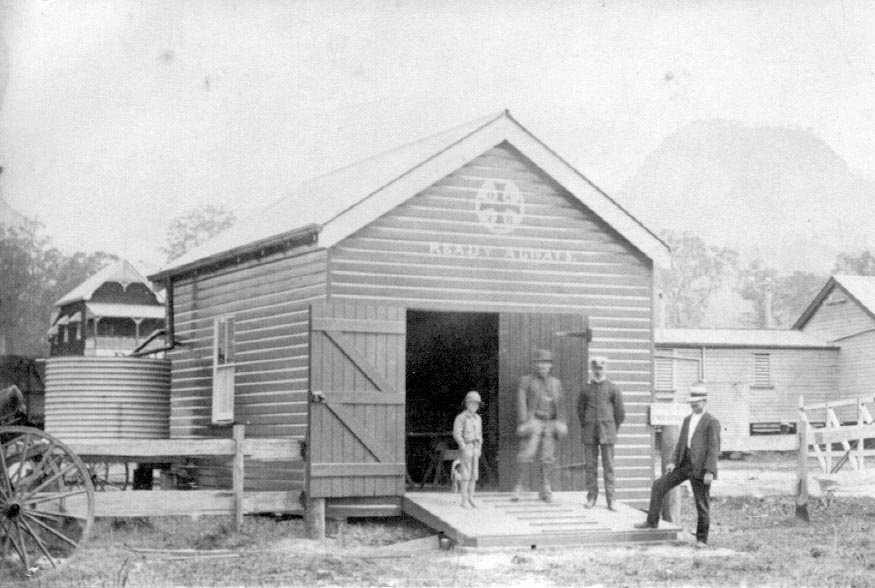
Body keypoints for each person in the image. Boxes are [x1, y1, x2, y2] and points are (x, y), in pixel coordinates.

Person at [634, 381, 720, 548]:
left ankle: (702, 539)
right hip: (684, 464)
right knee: (659, 485)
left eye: (697, 402)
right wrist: (673, 461)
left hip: (701, 469)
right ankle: (652, 521)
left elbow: (714, 448)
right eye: (692, 403)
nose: (694, 405)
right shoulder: (688, 419)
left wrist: (710, 471)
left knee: (702, 503)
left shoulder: (712, 421)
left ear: (704, 402)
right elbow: (681, 443)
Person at [512, 349, 568, 503]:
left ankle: (545, 488)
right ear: (535, 365)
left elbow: (561, 406)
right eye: (540, 363)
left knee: (548, 457)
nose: (543, 366)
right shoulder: (526, 381)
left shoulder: (556, 383)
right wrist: (524, 422)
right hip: (534, 421)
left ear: (550, 366)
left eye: (546, 363)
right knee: (526, 454)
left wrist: (561, 423)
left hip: (550, 422)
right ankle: (520, 485)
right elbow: (521, 403)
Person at [577, 355, 625, 510]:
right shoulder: (585, 389)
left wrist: (612, 429)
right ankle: (591, 497)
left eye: (601, 368)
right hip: (590, 432)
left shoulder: (613, 388)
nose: (598, 371)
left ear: (605, 369)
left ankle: (611, 499)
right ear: (592, 369)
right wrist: (587, 425)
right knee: (590, 466)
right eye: (595, 368)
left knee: (608, 467)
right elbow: (580, 411)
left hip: (607, 432)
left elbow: (620, 413)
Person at [453, 390, 483, 508]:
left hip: (475, 448)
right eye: (472, 403)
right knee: (465, 474)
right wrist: (463, 446)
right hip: (467, 447)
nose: (474, 406)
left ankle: (471, 497)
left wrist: (479, 447)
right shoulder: (461, 417)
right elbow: (457, 433)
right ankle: (464, 499)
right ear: (466, 404)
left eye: (476, 404)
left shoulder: (478, 418)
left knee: (474, 474)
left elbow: (480, 434)